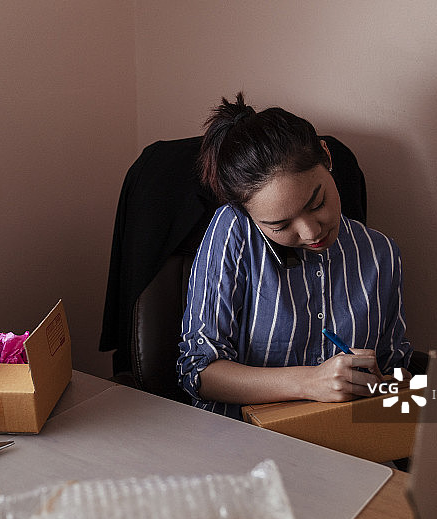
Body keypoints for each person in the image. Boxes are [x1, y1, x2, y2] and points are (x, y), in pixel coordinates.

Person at [177, 93, 412, 419]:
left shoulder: (380, 254)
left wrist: (381, 382)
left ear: (326, 157)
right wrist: (310, 382)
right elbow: (198, 371)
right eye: (280, 225)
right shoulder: (236, 231)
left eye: (316, 204)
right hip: (243, 447)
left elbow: (393, 372)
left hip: (345, 444)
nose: (310, 232)